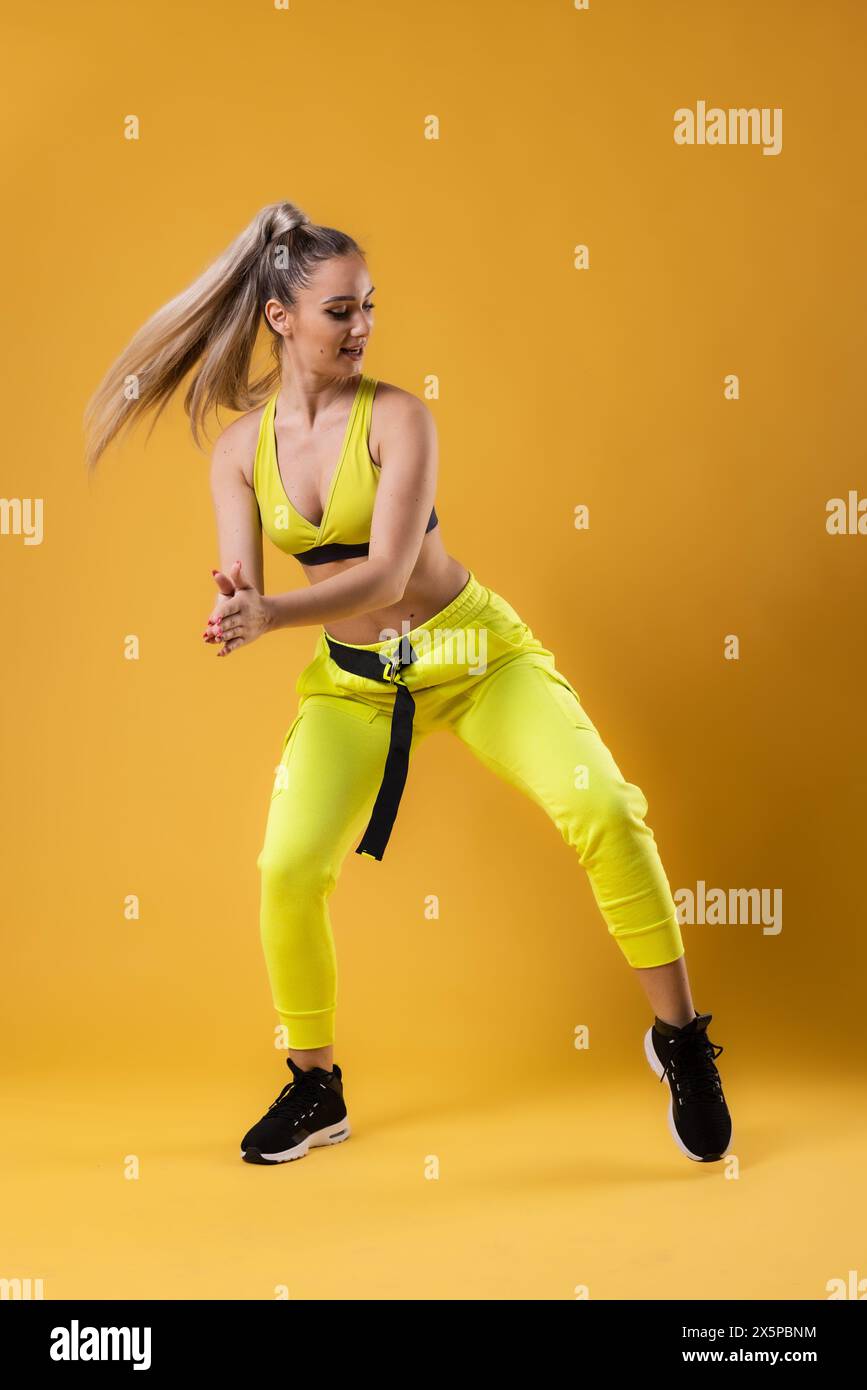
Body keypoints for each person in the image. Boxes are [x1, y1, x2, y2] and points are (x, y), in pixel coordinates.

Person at [83, 199, 733, 1169]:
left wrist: (268, 619)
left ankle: (680, 1039)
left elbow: (388, 575)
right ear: (280, 319)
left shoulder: (400, 418)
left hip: (473, 659)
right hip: (354, 686)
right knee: (286, 869)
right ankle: (316, 1087)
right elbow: (249, 584)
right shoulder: (236, 455)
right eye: (341, 311)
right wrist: (234, 606)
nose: (362, 327)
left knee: (605, 806)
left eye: (369, 307)